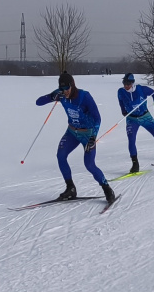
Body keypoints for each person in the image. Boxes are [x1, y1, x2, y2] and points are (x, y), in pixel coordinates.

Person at [35, 72, 116, 203]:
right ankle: (70, 188)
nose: (64, 91)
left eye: (66, 88)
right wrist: (52, 96)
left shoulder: (85, 97)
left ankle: (107, 188)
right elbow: (38, 102)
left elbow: (97, 118)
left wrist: (93, 137)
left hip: (87, 133)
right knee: (60, 156)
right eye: (62, 89)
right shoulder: (60, 93)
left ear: (72, 85)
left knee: (89, 164)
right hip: (72, 132)